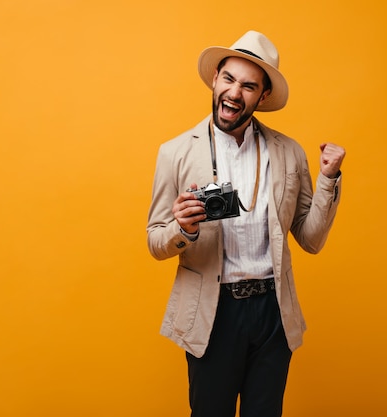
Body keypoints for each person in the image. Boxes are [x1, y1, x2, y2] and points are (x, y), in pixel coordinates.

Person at [147, 30, 345, 417]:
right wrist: (182, 230)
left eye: (249, 86)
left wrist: (328, 180)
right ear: (216, 80)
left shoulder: (288, 152)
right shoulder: (176, 153)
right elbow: (155, 241)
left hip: (273, 312)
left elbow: (311, 238)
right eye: (229, 79)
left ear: (262, 97)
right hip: (212, 313)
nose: (235, 93)